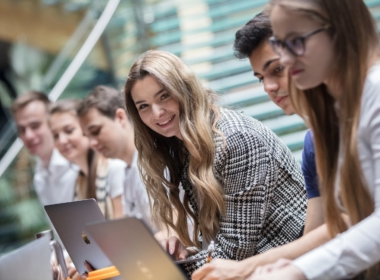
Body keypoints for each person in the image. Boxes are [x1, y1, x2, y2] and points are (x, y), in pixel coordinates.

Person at [250, 0, 380, 279]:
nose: (288, 59)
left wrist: (298, 270)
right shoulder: (341, 109)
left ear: (337, 30)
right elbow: (352, 219)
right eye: (281, 45)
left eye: (296, 42)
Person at [123, 50, 307, 277]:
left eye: (164, 96)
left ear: (185, 89)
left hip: (293, 268)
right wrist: (186, 255)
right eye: (144, 106)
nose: (157, 113)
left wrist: (146, 271)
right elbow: (220, 245)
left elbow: (235, 252)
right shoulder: (186, 146)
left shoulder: (235, 138)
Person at [191, 13, 324, 280]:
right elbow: (318, 234)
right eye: (260, 78)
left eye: (276, 69)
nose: (269, 87)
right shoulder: (313, 144)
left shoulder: (238, 137)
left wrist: (249, 268)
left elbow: (351, 225)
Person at [77, 85, 154, 230]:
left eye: (96, 131)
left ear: (120, 117)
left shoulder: (153, 164)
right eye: (87, 136)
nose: (92, 143)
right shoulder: (128, 170)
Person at [48, 99, 124, 219]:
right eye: (55, 136)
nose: (62, 140)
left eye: (69, 130)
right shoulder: (78, 182)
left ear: (86, 129)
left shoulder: (114, 167)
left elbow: (124, 225)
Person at [11, 91, 78, 206]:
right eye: (22, 130)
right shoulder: (39, 177)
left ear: (52, 123)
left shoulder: (77, 163)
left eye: (35, 126)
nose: (28, 136)